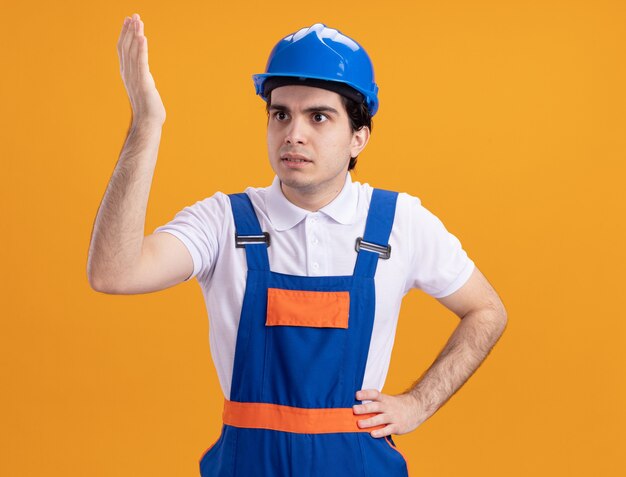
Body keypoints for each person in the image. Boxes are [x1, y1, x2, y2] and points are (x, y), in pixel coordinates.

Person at [87, 13, 508, 477]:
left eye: (319, 116)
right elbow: (114, 272)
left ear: (358, 137)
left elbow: (487, 310)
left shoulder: (398, 223)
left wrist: (418, 404)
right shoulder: (223, 222)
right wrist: (146, 123)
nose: (294, 133)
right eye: (280, 114)